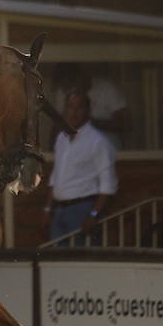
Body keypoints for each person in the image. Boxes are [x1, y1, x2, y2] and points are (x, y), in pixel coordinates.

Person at [45, 89, 118, 244]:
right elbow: (55, 176)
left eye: (79, 107)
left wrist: (93, 214)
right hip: (59, 210)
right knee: (55, 262)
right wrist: (48, 208)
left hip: (82, 209)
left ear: (88, 110)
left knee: (80, 260)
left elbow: (108, 185)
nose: (74, 112)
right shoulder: (62, 138)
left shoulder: (98, 141)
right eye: (70, 107)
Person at [52, 63, 129, 149]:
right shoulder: (62, 93)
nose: (67, 89)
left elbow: (126, 123)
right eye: (64, 87)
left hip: (108, 152)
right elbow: (57, 127)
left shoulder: (106, 88)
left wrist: (91, 124)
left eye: (68, 84)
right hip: (76, 155)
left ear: (79, 77)